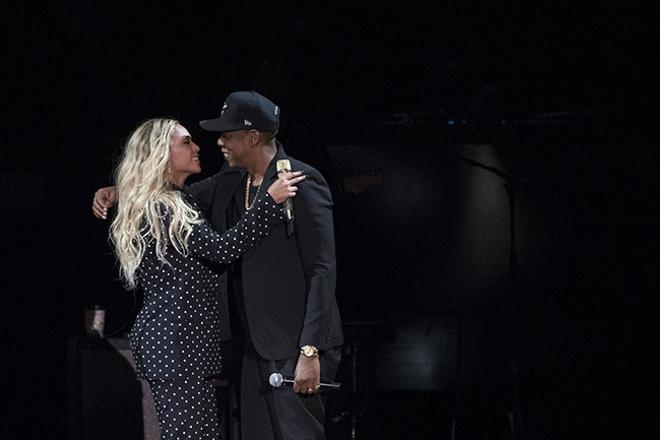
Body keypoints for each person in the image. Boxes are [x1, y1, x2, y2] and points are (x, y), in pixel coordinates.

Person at [94, 91, 343, 440]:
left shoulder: (302, 180)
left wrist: (310, 348)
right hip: (234, 348)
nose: (216, 142)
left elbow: (322, 269)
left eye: (227, 133)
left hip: (290, 347)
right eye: (191, 141)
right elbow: (208, 232)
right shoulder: (224, 185)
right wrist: (122, 190)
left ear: (252, 137)